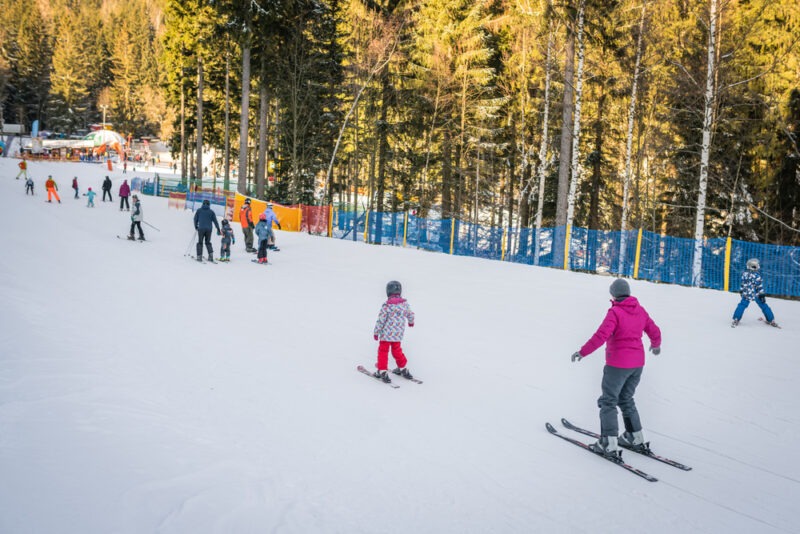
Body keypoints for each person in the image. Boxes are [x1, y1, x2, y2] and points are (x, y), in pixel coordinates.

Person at [570, 278, 661, 458]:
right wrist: (656, 344)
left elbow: (601, 335)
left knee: (609, 401)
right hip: (637, 365)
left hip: (617, 364)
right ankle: (635, 437)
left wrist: (582, 352)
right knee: (626, 398)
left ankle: (608, 443)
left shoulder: (615, 312)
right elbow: (654, 330)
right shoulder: (640, 310)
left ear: (613, 294)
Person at [372, 280, 416, 383]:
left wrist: (376, 332)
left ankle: (382, 371)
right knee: (397, 350)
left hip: (386, 335)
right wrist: (411, 322)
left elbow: (381, 320)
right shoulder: (404, 304)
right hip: (398, 334)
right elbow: (410, 314)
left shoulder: (387, 305)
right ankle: (403, 368)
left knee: (383, 351)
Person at [731, 258, 778, 327]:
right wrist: (762, 295)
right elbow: (759, 286)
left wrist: (741, 290)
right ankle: (771, 319)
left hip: (747, 293)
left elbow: (743, 284)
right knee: (764, 306)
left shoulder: (744, 274)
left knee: (741, 305)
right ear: (755, 266)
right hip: (756, 293)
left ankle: (736, 318)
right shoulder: (757, 276)